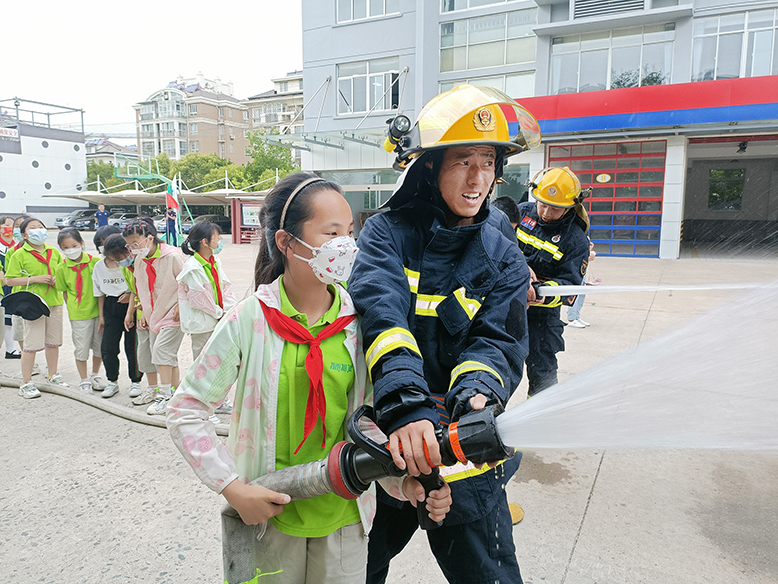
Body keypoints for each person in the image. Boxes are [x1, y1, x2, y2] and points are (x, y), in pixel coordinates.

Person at [167, 173, 451, 584]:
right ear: (286, 242)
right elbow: (187, 410)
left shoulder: (360, 327)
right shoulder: (249, 321)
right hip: (270, 519)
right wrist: (233, 488)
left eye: (350, 232)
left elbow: (369, 425)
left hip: (344, 521)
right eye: (331, 233)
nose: (346, 246)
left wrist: (404, 483)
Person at [349, 84, 541, 584]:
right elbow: (383, 318)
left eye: (488, 162)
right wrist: (408, 411)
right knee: (351, 570)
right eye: (462, 162)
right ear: (430, 167)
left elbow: (497, 342)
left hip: (462, 459)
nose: (478, 178)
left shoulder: (504, 253)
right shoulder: (386, 233)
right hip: (387, 440)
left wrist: (478, 395)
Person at [517, 167, 590, 396]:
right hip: (502, 308)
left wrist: (537, 292)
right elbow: (495, 242)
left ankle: (539, 422)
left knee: (543, 376)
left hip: (540, 318)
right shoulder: (521, 213)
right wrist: (520, 267)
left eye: (555, 208)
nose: (546, 212)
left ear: (570, 207)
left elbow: (569, 287)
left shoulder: (576, 240)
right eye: (542, 204)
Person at [122, 218, 185, 415]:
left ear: (150, 238)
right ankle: (176, 393)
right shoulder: (140, 260)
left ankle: (164, 395)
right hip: (153, 314)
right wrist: (143, 310)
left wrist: (181, 305)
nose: (132, 248)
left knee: (161, 351)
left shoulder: (173, 256)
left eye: (135, 244)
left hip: (173, 312)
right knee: (166, 356)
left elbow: (187, 282)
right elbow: (143, 288)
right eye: (129, 245)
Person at [4, 217, 68, 397]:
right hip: (33, 305)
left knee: (53, 342)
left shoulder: (53, 251)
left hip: (54, 302)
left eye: (41, 227)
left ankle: (53, 374)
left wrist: (58, 280)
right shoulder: (19, 254)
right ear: (24, 235)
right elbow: (9, 279)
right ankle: (26, 382)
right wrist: (35, 279)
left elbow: (62, 272)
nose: (38, 230)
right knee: (31, 345)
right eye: (33, 228)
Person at [55, 228, 107, 394]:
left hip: (98, 312)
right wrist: (72, 308)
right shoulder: (61, 268)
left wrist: (102, 314)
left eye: (74, 245)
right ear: (61, 249)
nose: (71, 249)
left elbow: (102, 288)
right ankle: (84, 379)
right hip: (78, 315)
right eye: (65, 247)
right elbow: (64, 291)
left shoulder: (95, 262)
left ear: (82, 244)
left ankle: (95, 374)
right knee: (81, 348)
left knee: (99, 347)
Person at [93, 233, 143, 398]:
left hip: (131, 306)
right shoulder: (99, 267)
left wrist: (131, 300)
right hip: (110, 307)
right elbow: (99, 292)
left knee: (132, 347)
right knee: (108, 347)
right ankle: (112, 381)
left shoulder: (131, 264)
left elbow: (136, 287)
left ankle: (136, 382)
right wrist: (101, 316)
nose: (118, 259)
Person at [178, 221, 237, 358]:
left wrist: (230, 309)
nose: (219, 241)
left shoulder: (214, 262)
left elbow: (224, 288)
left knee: (218, 361)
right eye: (217, 238)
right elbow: (199, 299)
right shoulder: (192, 268)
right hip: (203, 325)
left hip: (217, 320)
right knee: (202, 364)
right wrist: (219, 312)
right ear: (205, 242)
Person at [119, 232, 159, 403]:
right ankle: (153, 389)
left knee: (164, 355)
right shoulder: (130, 266)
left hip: (160, 316)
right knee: (145, 353)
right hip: (142, 316)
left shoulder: (158, 260)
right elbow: (136, 292)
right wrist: (131, 313)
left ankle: (169, 391)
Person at [4, 214, 33, 362]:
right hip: (16, 295)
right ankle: (22, 355)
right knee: (16, 327)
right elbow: (8, 278)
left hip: (37, 295)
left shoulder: (47, 251)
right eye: (16, 226)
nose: (17, 229)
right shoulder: (11, 251)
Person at [0, 215, 20, 359]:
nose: (10, 228)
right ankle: (10, 349)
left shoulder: (16, 246)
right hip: (4, 286)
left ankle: (12, 349)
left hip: (15, 284)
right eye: (7, 225)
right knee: (5, 318)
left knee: (12, 318)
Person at [566, 238, 596, 328]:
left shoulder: (583, 235)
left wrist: (590, 249)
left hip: (582, 268)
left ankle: (576, 316)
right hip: (575, 268)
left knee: (581, 294)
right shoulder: (574, 234)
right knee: (575, 293)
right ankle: (571, 318)